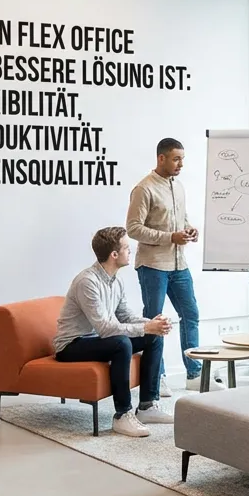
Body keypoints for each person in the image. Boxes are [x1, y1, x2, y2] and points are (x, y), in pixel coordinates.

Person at [53, 227, 174, 438]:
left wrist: (152, 324)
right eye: (127, 248)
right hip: (72, 345)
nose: (131, 251)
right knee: (121, 343)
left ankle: (146, 406)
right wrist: (146, 327)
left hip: (98, 340)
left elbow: (125, 316)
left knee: (153, 337)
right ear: (114, 255)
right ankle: (122, 415)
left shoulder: (116, 280)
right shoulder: (87, 282)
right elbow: (106, 328)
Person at [127, 137, 205, 393]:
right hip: (153, 266)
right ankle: (155, 377)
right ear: (161, 158)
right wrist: (169, 237)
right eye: (176, 158)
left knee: (191, 314)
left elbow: (180, 219)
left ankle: (194, 374)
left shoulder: (178, 186)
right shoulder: (144, 189)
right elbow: (133, 228)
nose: (181, 163)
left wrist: (189, 230)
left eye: (182, 158)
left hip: (179, 265)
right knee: (154, 321)